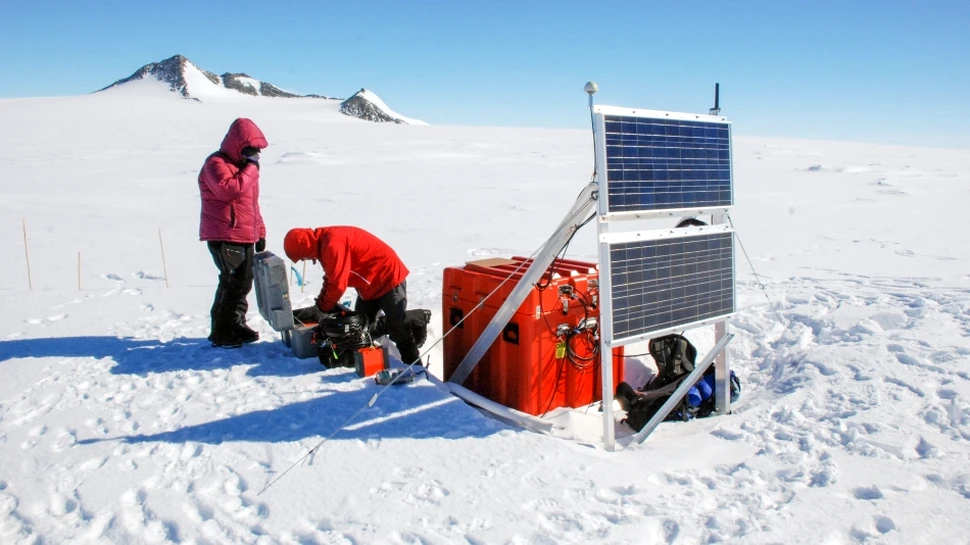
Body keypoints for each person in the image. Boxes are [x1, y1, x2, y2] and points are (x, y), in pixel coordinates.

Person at [283, 226, 421, 365]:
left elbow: (337, 285)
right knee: (360, 329)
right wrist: (320, 305)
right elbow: (331, 277)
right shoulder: (323, 243)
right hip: (369, 282)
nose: (304, 259)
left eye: (302, 256)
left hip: (388, 277)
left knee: (398, 328)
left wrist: (321, 309)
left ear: (305, 247)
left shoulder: (332, 245)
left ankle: (415, 366)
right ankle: (368, 362)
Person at [198, 118, 268, 348]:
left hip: (244, 234)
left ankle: (236, 325)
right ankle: (222, 332)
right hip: (225, 234)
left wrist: (260, 231)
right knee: (232, 283)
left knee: (244, 282)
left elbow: (251, 205)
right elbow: (229, 191)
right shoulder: (215, 163)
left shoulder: (242, 168)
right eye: (251, 150)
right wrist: (251, 169)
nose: (255, 155)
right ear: (237, 145)